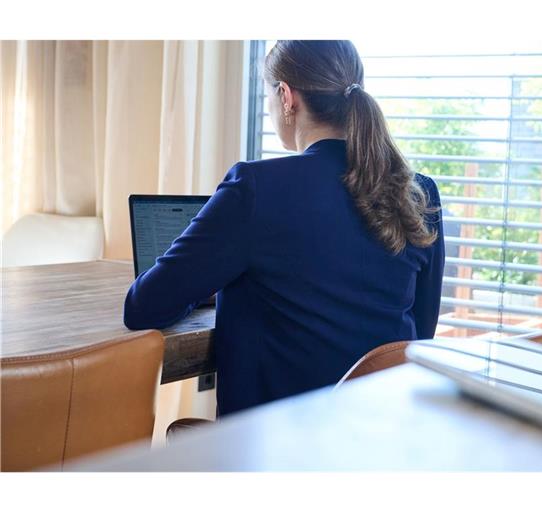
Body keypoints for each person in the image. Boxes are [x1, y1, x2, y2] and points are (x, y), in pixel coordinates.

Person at [123, 40, 445, 416]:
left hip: (272, 447)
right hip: (381, 442)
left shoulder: (257, 188)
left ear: (286, 96)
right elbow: (421, 332)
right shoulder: (419, 193)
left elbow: (144, 306)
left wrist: (209, 282)